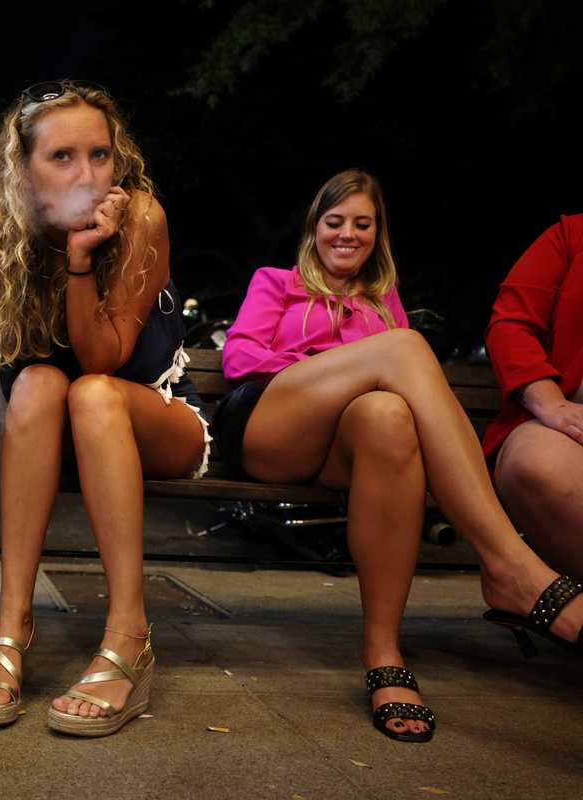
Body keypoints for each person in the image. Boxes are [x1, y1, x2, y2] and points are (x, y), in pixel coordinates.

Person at [215, 169, 582, 744]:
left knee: (389, 416)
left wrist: (363, 384)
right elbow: (238, 358)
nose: (348, 234)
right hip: (272, 426)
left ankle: (383, 654)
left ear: (376, 234)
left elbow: (405, 399)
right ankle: (511, 564)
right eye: (335, 222)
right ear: (315, 229)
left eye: (362, 223)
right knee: (405, 349)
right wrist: (329, 373)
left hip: (345, 448)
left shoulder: (384, 300)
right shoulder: (278, 281)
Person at [0, 81, 210, 738]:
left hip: (158, 416)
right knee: (33, 383)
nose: (87, 175)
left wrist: (81, 262)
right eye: (62, 157)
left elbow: (104, 360)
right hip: (59, 432)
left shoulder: (139, 219)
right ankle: (12, 625)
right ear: (22, 172)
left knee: (85, 390)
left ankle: (129, 636)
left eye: (100, 155)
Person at [485, 214, 583, 578]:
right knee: (537, 463)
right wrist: (550, 402)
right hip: (570, 424)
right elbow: (511, 324)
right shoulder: (572, 235)